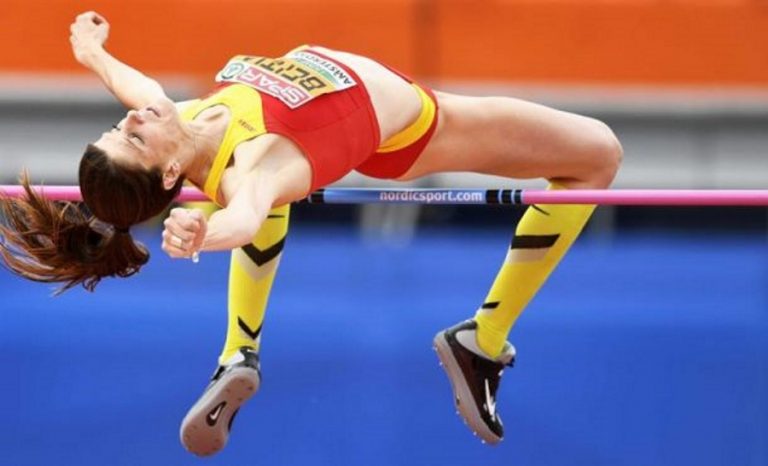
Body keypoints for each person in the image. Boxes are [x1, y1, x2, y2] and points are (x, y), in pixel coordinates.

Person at [0, 11, 622, 456]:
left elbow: (137, 91)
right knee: (597, 154)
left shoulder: (179, 122)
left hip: (364, 109)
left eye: (117, 126)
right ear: (166, 172)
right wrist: (203, 234)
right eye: (132, 136)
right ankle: (482, 340)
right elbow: (244, 216)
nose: (133, 117)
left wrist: (94, 55)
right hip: (421, 126)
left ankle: (238, 352)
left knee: (259, 200)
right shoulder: (253, 168)